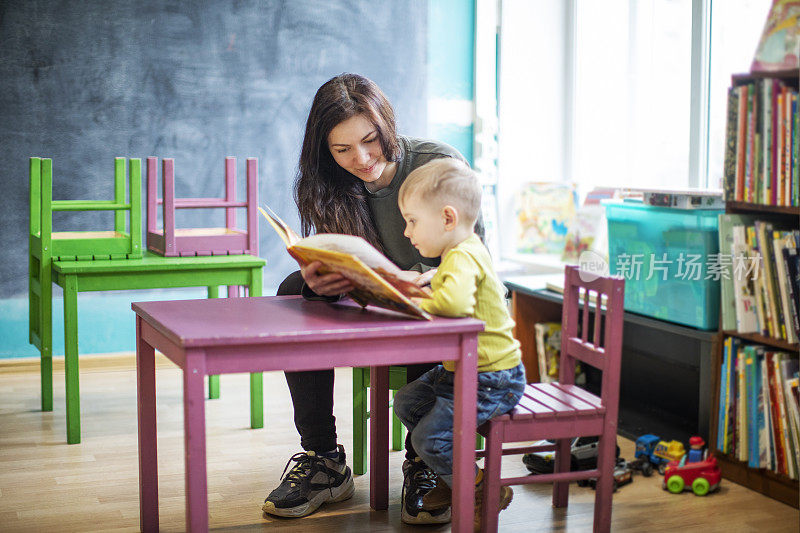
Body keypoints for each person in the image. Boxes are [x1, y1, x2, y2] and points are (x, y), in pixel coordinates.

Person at [262, 73, 484, 524]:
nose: (361, 159)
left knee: (425, 311)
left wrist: (416, 281)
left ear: (386, 123)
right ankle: (323, 459)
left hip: (446, 307)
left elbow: (473, 259)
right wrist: (323, 279)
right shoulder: (328, 184)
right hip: (378, 305)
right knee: (293, 291)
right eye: (342, 150)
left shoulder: (435, 165)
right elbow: (345, 259)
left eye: (370, 141)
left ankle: (423, 463)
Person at [392, 158, 526, 529]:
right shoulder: (460, 252)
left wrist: (415, 301)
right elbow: (450, 291)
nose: (406, 232)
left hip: (492, 378)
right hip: (465, 371)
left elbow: (453, 304)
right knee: (406, 401)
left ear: (447, 219)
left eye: (412, 220)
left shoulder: (464, 255)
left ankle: (479, 487)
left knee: (429, 441)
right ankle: (461, 475)